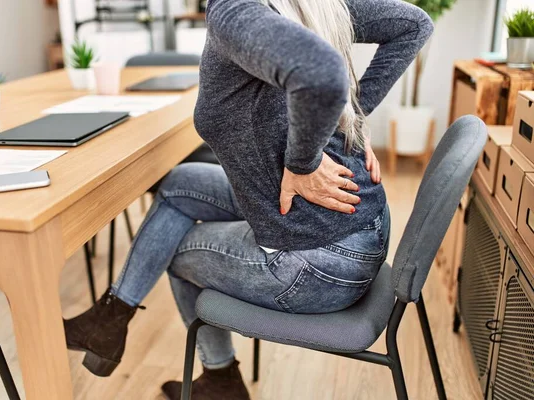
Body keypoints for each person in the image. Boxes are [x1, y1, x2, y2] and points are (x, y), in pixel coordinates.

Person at [64, 0, 433, 398]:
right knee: (178, 183)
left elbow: (323, 73)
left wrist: (304, 162)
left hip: (317, 261)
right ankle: (110, 318)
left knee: (169, 249)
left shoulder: (233, 9)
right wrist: (350, 123)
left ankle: (221, 380)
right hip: (358, 230)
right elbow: (413, 23)